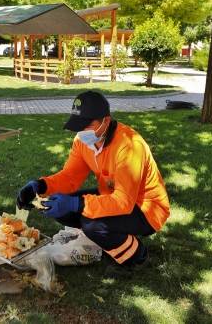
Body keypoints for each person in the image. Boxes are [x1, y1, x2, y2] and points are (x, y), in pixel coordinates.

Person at [16, 91, 170, 279]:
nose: (82, 131)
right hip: (113, 195)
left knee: (92, 224)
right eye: (78, 125)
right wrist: (40, 186)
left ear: (106, 121)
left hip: (147, 208)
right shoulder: (82, 141)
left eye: (88, 125)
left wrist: (77, 204)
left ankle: (137, 256)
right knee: (63, 209)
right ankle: (108, 241)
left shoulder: (130, 145)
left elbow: (124, 202)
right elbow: (70, 177)